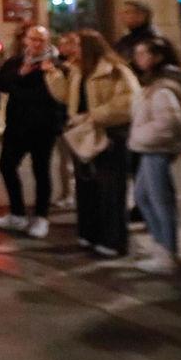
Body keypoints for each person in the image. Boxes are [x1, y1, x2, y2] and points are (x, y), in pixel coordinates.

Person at [61, 29, 139, 258]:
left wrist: (96, 114)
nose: (71, 48)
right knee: (87, 187)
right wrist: (54, 76)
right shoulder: (76, 70)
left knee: (111, 190)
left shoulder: (115, 70)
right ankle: (90, 233)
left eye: (76, 44)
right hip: (83, 132)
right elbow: (67, 98)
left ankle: (114, 240)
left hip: (109, 133)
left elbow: (128, 102)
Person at [0, 25, 65, 239]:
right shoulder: (16, 61)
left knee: (41, 170)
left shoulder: (55, 64)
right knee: (6, 165)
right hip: (17, 124)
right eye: (32, 39)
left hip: (45, 125)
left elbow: (59, 93)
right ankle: (17, 213)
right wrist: (19, 74)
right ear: (25, 40)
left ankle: (41, 217)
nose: (36, 44)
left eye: (41, 40)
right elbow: (0, 83)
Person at [129, 37, 181, 273]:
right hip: (148, 148)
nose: (138, 58)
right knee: (143, 197)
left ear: (158, 57)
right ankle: (160, 245)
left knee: (159, 201)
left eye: (143, 53)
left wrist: (141, 136)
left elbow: (168, 124)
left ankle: (168, 252)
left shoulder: (164, 87)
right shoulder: (151, 83)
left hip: (156, 149)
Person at [114, 0, 156, 66]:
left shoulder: (154, 40)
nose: (122, 16)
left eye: (127, 12)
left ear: (141, 15)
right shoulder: (124, 41)